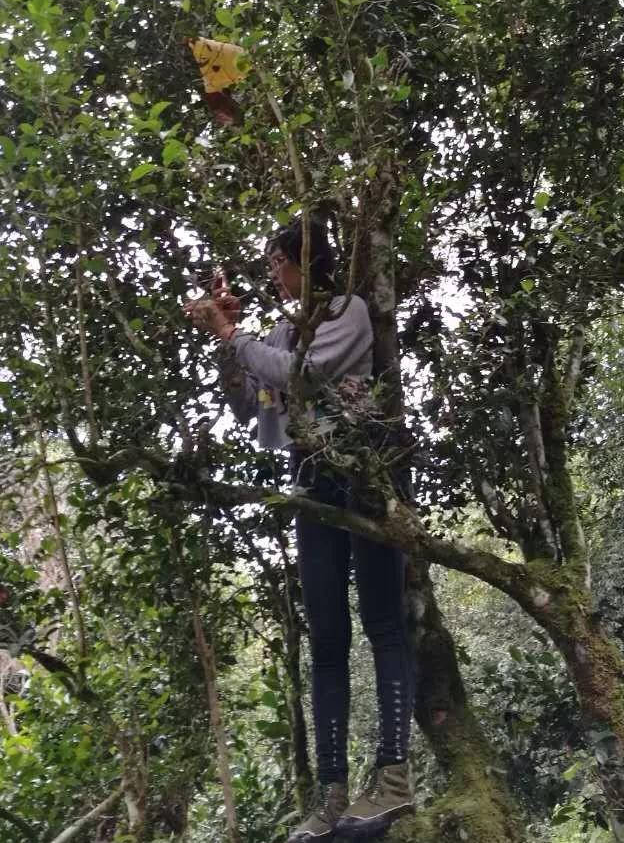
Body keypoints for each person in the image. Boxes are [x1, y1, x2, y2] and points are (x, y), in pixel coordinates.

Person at [183, 217, 415, 842]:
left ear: (304, 258)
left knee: (384, 621)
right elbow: (252, 407)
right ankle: (333, 793)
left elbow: (302, 376)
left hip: (365, 471)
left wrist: (234, 332)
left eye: (276, 263)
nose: (271, 275)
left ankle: (394, 777)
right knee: (327, 639)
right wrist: (226, 344)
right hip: (311, 479)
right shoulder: (283, 331)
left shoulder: (351, 311)